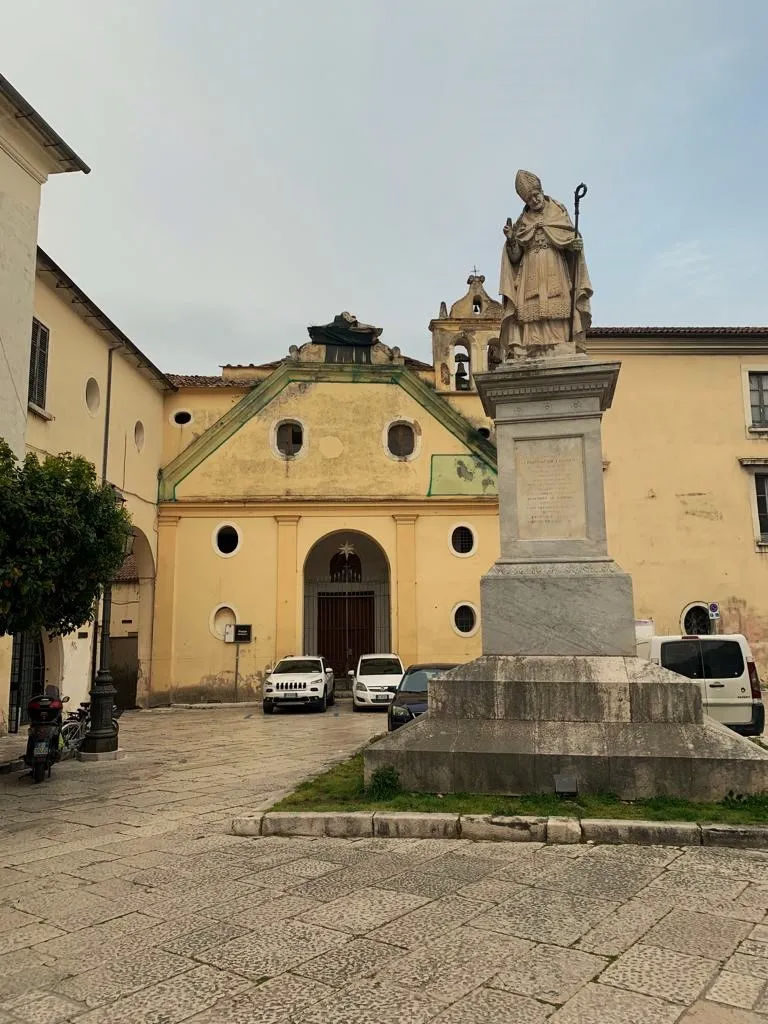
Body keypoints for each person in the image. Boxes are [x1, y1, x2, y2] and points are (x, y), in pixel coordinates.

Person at [499, 169, 592, 359]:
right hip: (530, 269)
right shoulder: (522, 222)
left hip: (554, 265)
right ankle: (531, 346)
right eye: (529, 199)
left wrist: (575, 245)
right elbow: (515, 258)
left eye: (536, 195)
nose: (534, 200)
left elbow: (569, 240)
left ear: (541, 190)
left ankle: (561, 344)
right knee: (530, 310)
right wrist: (511, 240)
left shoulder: (558, 211)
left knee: (557, 303)